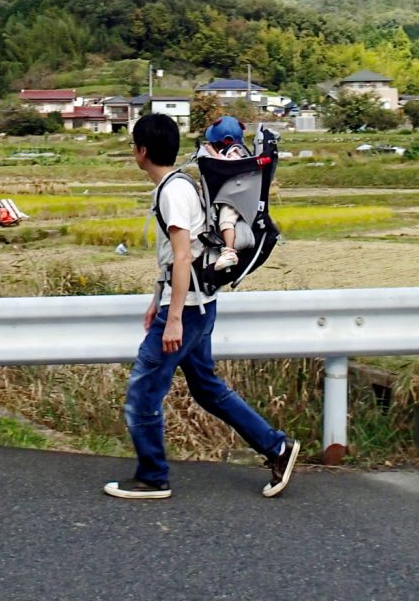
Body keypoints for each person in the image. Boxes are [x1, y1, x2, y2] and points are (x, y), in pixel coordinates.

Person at [103, 112, 300, 501]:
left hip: (188, 309)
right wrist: (155, 300)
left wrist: (172, 317)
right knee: (208, 389)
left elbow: (181, 258)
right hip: (199, 303)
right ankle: (277, 447)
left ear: (142, 152)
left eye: (133, 146)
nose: (133, 152)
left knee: (142, 394)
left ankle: (153, 476)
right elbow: (178, 257)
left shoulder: (173, 192)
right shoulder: (177, 184)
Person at [200, 115, 250, 272]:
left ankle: (229, 252)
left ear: (225, 141)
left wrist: (212, 154)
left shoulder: (234, 153)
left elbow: (227, 165)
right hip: (233, 193)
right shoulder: (235, 150)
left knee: (225, 220)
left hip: (236, 198)